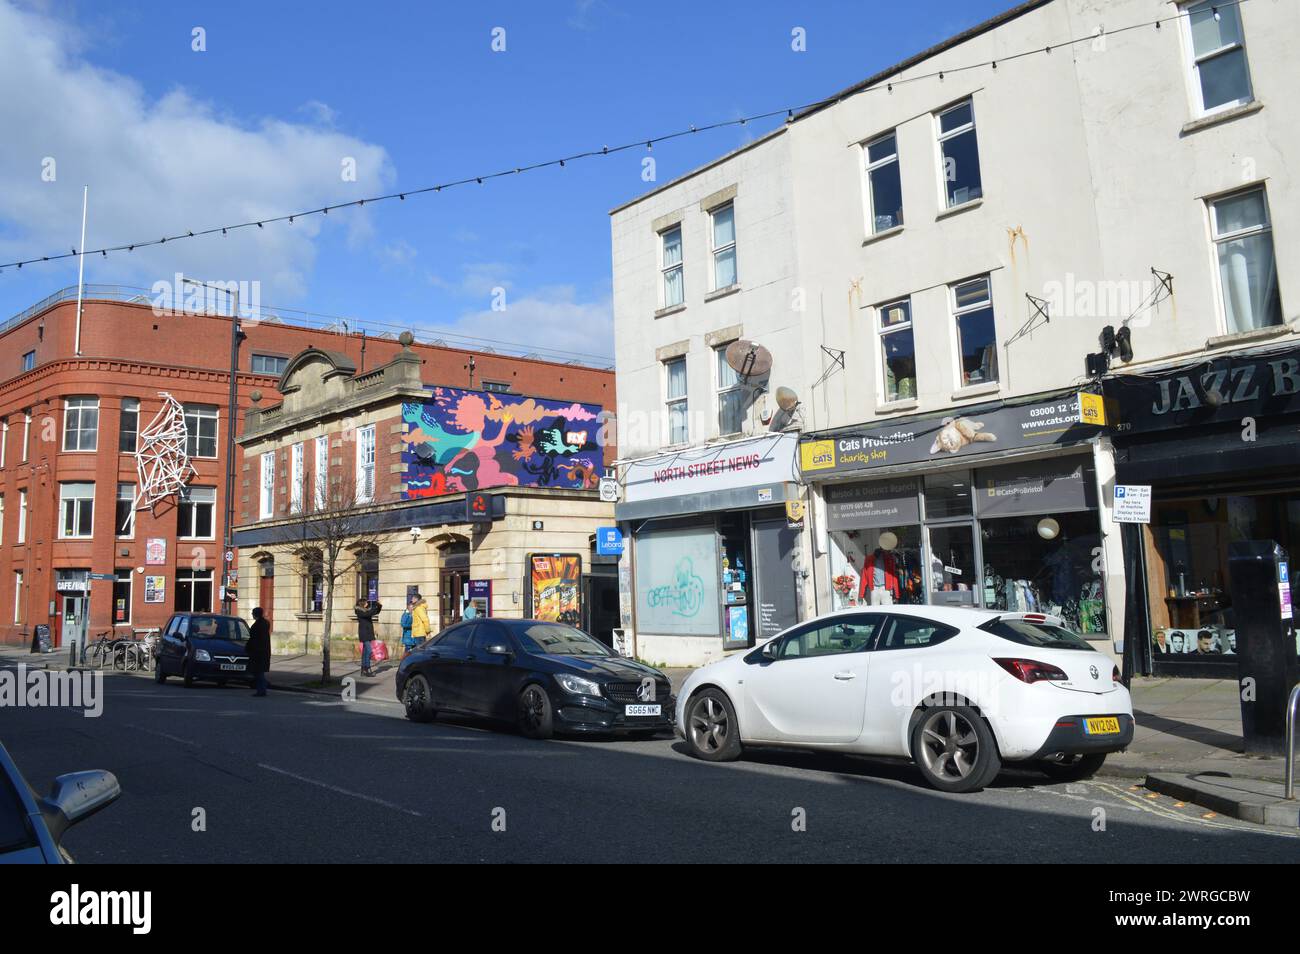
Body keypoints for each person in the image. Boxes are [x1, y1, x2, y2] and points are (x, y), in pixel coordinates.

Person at [355, 597, 383, 676]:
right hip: (364, 634)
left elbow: (375, 611)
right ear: (362, 604)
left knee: (365, 652)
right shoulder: (359, 611)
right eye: (366, 602)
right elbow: (369, 613)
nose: (367, 603)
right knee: (369, 651)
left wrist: (378, 605)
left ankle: (364, 670)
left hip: (368, 633)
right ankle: (367, 668)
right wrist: (375, 606)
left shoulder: (366, 610)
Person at [247, 606, 271, 697]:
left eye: (253, 613)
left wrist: (249, 648)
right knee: (259, 671)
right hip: (264, 650)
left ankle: (262, 689)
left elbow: (253, 639)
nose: (252, 615)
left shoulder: (257, 626)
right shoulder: (265, 623)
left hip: (257, 651)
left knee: (258, 672)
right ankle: (262, 688)